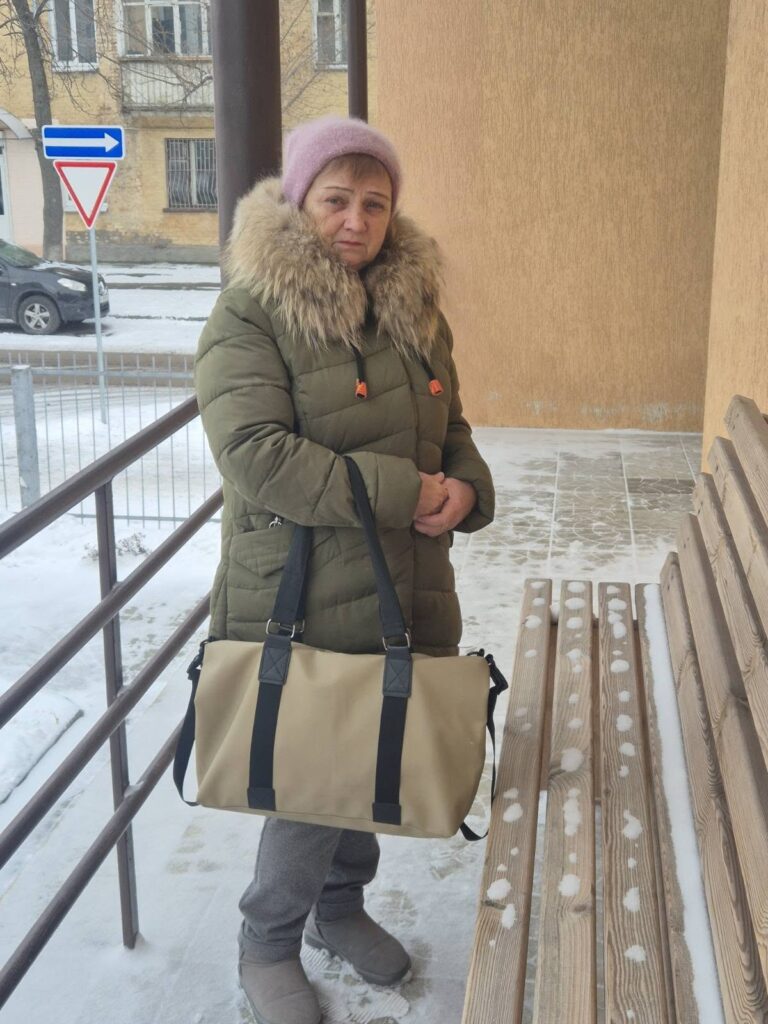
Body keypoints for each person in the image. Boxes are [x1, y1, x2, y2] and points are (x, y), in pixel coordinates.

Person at [195, 115, 495, 1024]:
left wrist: (465, 488)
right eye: (336, 200)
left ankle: (339, 908)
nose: (356, 221)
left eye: (375, 203)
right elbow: (255, 452)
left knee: (373, 746)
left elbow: (450, 426)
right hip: (302, 586)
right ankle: (267, 941)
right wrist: (403, 491)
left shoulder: (413, 307)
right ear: (299, 200)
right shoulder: (253, 309)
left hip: (404, 579)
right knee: (313, 780)